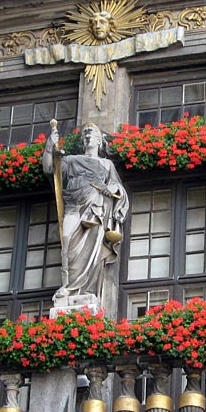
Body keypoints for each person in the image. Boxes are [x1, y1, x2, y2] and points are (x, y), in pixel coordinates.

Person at [43, 122, 129, 300]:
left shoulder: (107, 165)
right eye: (85, 134)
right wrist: (50, 145)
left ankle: (82, 289)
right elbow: (49, 168)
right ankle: (68, 285)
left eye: (92, 133)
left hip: (96, 210)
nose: (88, 135)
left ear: (100, 140)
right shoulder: (71, 160)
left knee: (93, 250)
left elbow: (117, 187)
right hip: (74, 205)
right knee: (66, 238)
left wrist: (113, 189)